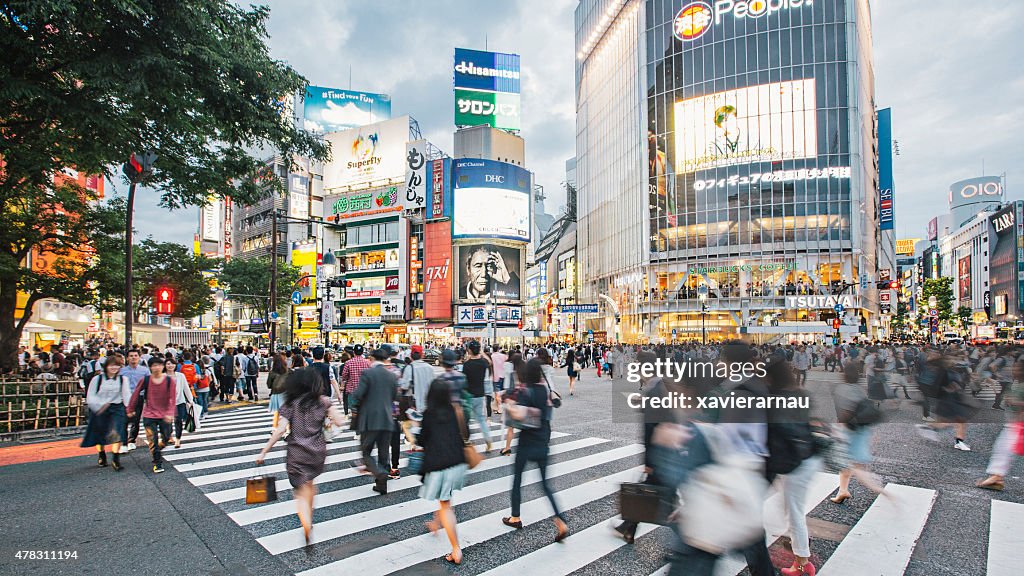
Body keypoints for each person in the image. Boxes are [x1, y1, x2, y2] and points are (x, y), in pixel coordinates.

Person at [256, 368, 346, 545]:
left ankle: (306, 523)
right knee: (310, 484)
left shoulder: (290, 405)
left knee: (300, 491)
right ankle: (310, 514)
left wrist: (264, 450)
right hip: (318, 451)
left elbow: (280, 429)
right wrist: (326, 422)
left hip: (296, 451)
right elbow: (340, 421)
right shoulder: (323, 401)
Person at [501, 357, 569, 542]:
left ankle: (515, 517)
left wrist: (508, 405)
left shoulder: (525, 391)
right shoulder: (545, 390)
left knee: (517, 480)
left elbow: (518, 414)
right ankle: (560, 521)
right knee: (546, 485)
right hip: (543, 442)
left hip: (526, 442)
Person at [418, 378, 468, 566]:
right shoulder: (454, 410)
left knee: (446, 504)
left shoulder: (429, 414)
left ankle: (456, 549)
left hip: (440, 465)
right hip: (458, 462)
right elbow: (465, 433)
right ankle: (435, 523)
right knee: (445, 499)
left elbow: (422, 440)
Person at [829, 362, 886, 504]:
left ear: (844, 375)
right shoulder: (861, 389)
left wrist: (838, 428)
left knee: (856, 466)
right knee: (846, 462)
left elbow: (844, 413)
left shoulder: (842, 389)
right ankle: (843, 490)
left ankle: (881, 490)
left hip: (849, 430)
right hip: (862, 429)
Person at [352, 345, 399, 495]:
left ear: (371, 358)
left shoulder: (367, 373)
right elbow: (394, 397)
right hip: (387, 418)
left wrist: (356, 407)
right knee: (384, 453)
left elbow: (358, 395)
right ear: (385, 359)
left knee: (366, 451)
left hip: (370, 418)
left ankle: (379, 474)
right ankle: (381, 484)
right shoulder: (391, 375)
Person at [976, 357, 1024, 491]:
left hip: (1018, 424)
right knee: (1002, 449)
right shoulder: (1017, 383)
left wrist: (1016, 404)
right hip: (1015, 424)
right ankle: (996, 477)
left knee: (1002, 449)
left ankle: (996, 477)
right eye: (1014, 367)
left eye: (1018, 368)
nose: (1014, 370)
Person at [127, 357, 178, 474]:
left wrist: (170, 413)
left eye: (159, 365)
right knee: (152, 439)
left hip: (165, 415)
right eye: (154, 366)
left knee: (166, 437)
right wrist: (130, 408)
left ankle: (158, 448)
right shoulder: (145, 380)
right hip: (149, 414)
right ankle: (157, 462)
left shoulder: (169, 381)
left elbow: (172, 398)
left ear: (162, 366)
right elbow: (135, 394)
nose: (156, 368)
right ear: (150, 368)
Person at [81, 354, 130, 472]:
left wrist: (129, 408)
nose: (114, 368)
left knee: (118, 432)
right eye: (111, 366)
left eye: (117, 366)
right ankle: (101, 454)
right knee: (99, 433)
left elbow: (126, 394)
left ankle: (115, 458)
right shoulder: (97, 379)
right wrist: (99, 406)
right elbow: (90, 395)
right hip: (100, 408)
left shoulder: (123, 379)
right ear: (106, 366)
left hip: (117, 407)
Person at [462, 341, 493, 451]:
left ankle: (466, 440)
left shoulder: (467, 364)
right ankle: (488, 439)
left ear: (469, 350)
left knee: (466, 419)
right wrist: (482, 352)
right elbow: (489, 362)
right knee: (481, 419)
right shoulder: (483, 362)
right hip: (480, 394)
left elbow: (464, 378)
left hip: (469, 395)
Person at [499, 352, 526, 456]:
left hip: (514, 403)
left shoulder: (512, 374)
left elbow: (509, 390)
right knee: (525, 427)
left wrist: (504, 397)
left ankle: (507, 448)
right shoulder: (526, 374)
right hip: (525, 402)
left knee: (511, 427)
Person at [165, 356, 195, 449]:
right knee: (167, 421)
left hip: (179, 401)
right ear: (165, 365)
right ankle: (169, 436)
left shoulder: (180, 376)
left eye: (172, 364)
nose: (170, 366)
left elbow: (186, 388)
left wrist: (190, 400)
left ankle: (178, 439)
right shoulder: (162, 376)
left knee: (178, 421)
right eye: (168, 364)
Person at [341, 345, 370, 416]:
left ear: (354, 352)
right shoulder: (368, 363)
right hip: (364, 391)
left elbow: (344, 376)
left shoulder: (348, 363)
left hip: (352, 390)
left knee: (353, 411)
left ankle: (355, 423)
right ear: (362, 352)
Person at [267, 353, 289, 429]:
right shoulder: (288, 371)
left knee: (277, 412)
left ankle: (275, 427)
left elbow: (269, 385)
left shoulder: (272, 373)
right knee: (286, 412)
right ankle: (288, 428)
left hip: (276, 393)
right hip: (286, 393)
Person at [491, 347, 507, 416]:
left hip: (495, 376)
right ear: (498, 349)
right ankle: (500, 407)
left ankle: (500, 408)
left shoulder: (492, 356)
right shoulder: (503, 356)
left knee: (496, 393)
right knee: (502, 392)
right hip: (503, 375)